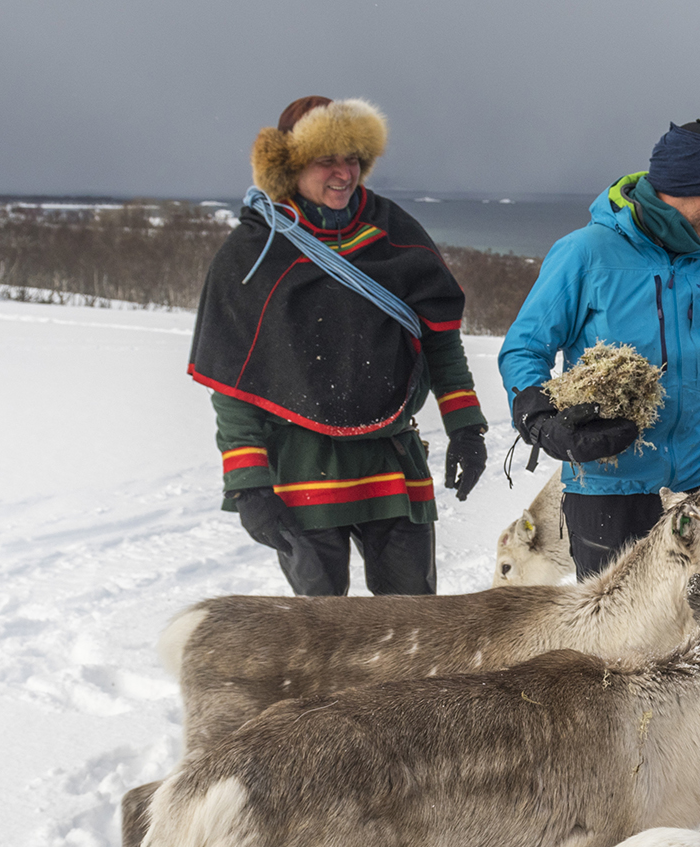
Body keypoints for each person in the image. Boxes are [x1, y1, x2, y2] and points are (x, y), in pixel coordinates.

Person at [188, 96, 487, 596]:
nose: (343, 174)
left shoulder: (395, 233)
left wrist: (467, 428)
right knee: (324, 635)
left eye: (352, 159)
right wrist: (248, 484)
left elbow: (441, 344)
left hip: (390, 456)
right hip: (303, 463)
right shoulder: (254, 251)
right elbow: (234, 381)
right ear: (289, 166)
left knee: (412, 623)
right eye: (327, 160)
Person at [501, 121, 700, 578]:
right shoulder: (585, 253)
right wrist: (539, 419)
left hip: (699, 488)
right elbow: (524, 349)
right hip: (608, 490)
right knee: (618, 649)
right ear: (677, 188)